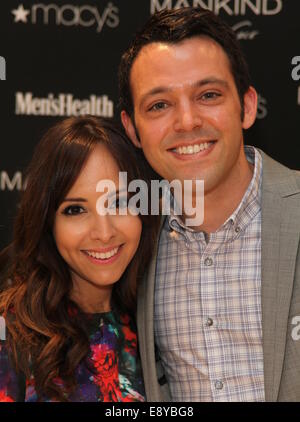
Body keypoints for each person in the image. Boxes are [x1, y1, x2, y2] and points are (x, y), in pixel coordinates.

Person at [119, 7, 300, 401]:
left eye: (208, 95)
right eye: (159, 105)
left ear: (247, 107)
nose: (187, 121)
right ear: (132, 128)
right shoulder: (127, 244)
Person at [0, 116, 159, 402]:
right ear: (48, 222)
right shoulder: (11, 333)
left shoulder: (157, 323)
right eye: (75, 210)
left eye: (119, 202)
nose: (104, 232)